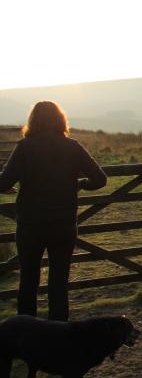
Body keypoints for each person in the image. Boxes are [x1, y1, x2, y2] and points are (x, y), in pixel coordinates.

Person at [0, 101, 106, 320]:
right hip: (63, 224)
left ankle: (27, 336)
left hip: (30, 225)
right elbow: (100, 179)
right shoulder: (72, 146)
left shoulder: (25, 147)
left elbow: (3, 183)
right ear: (60, 120)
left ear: (33, 121)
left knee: (28, 282)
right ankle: (59, 336)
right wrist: (81, 184)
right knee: (59, 284)